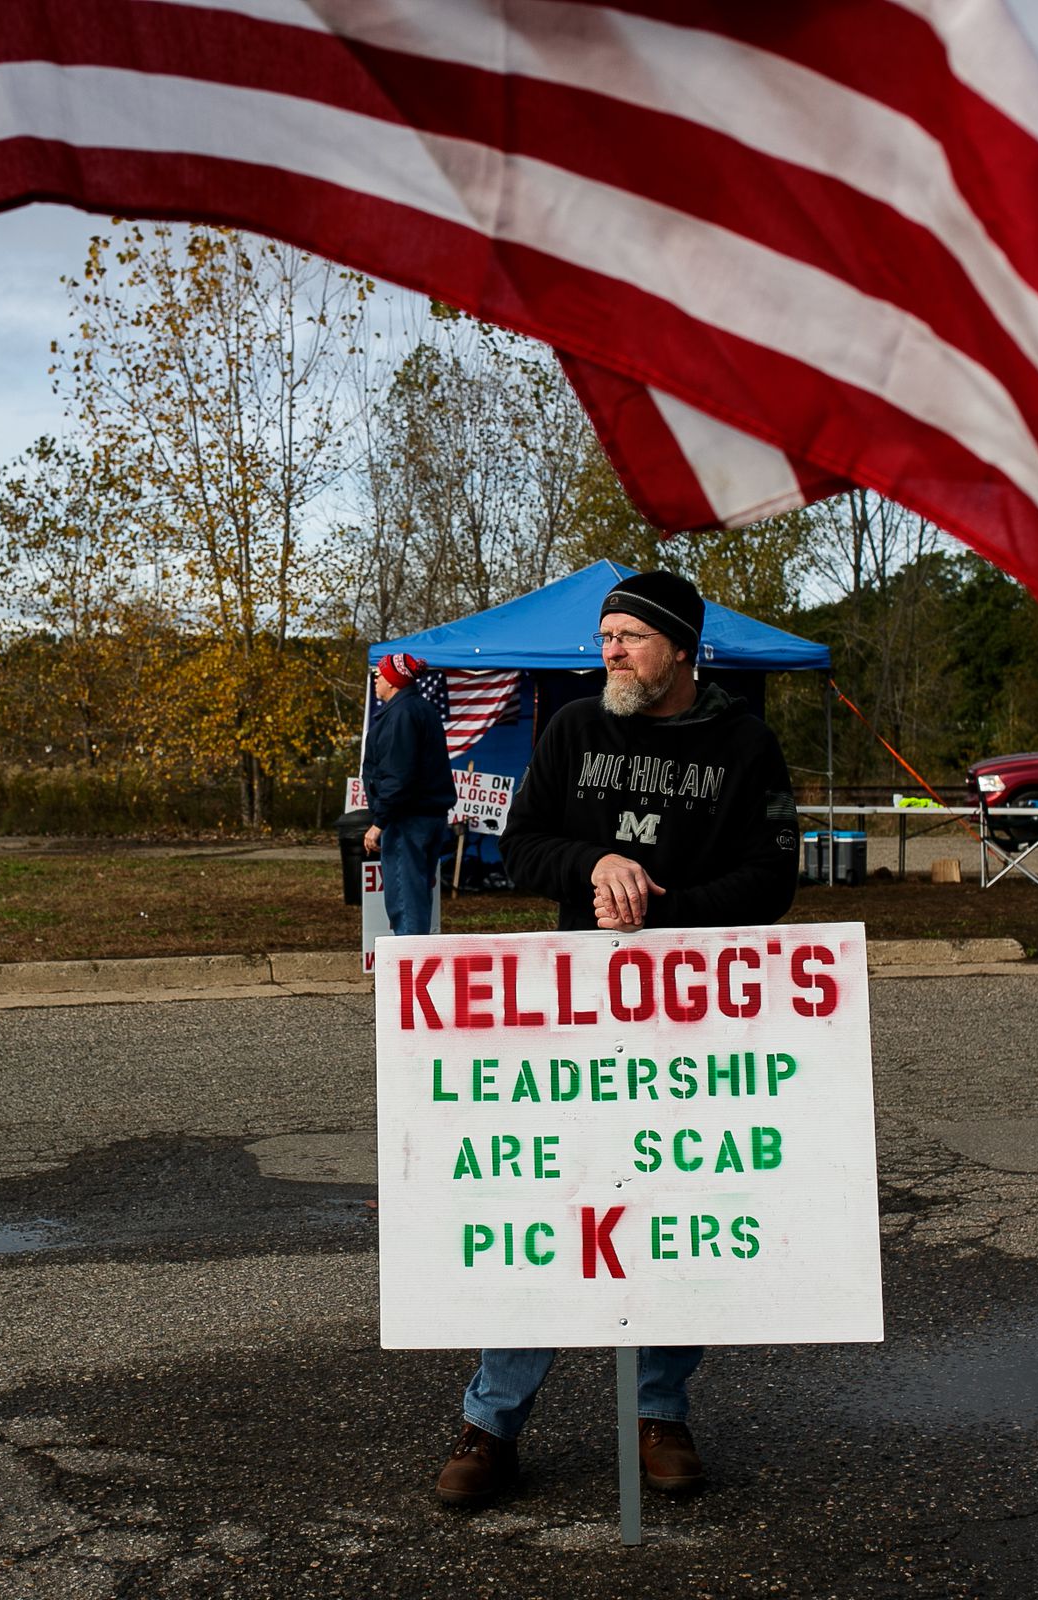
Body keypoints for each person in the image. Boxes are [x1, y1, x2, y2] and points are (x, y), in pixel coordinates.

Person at [434, 570, 799, 1509]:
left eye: (631, 637)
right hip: (574, 1008)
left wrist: (664, 917)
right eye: (607, 638)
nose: (612, 653)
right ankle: (490, 1424)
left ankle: (660, 1413)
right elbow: (519, 846)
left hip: (691, 1013)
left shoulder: (745, 744)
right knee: (550, 1202)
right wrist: (595, 864)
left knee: (672, 1209)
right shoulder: (572, 730)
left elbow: (773, 876)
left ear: (682, 647)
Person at [360, 651, 456, 938]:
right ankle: (416, 970)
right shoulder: (419, 709)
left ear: (393, 680)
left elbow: (399, 775)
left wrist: (379, 823)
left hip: (407, 821)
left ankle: (409, 978)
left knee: (406, 902)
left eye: (379, 673)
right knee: (417, 897)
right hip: (427, 817)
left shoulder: (401, 715)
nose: (375, 678)